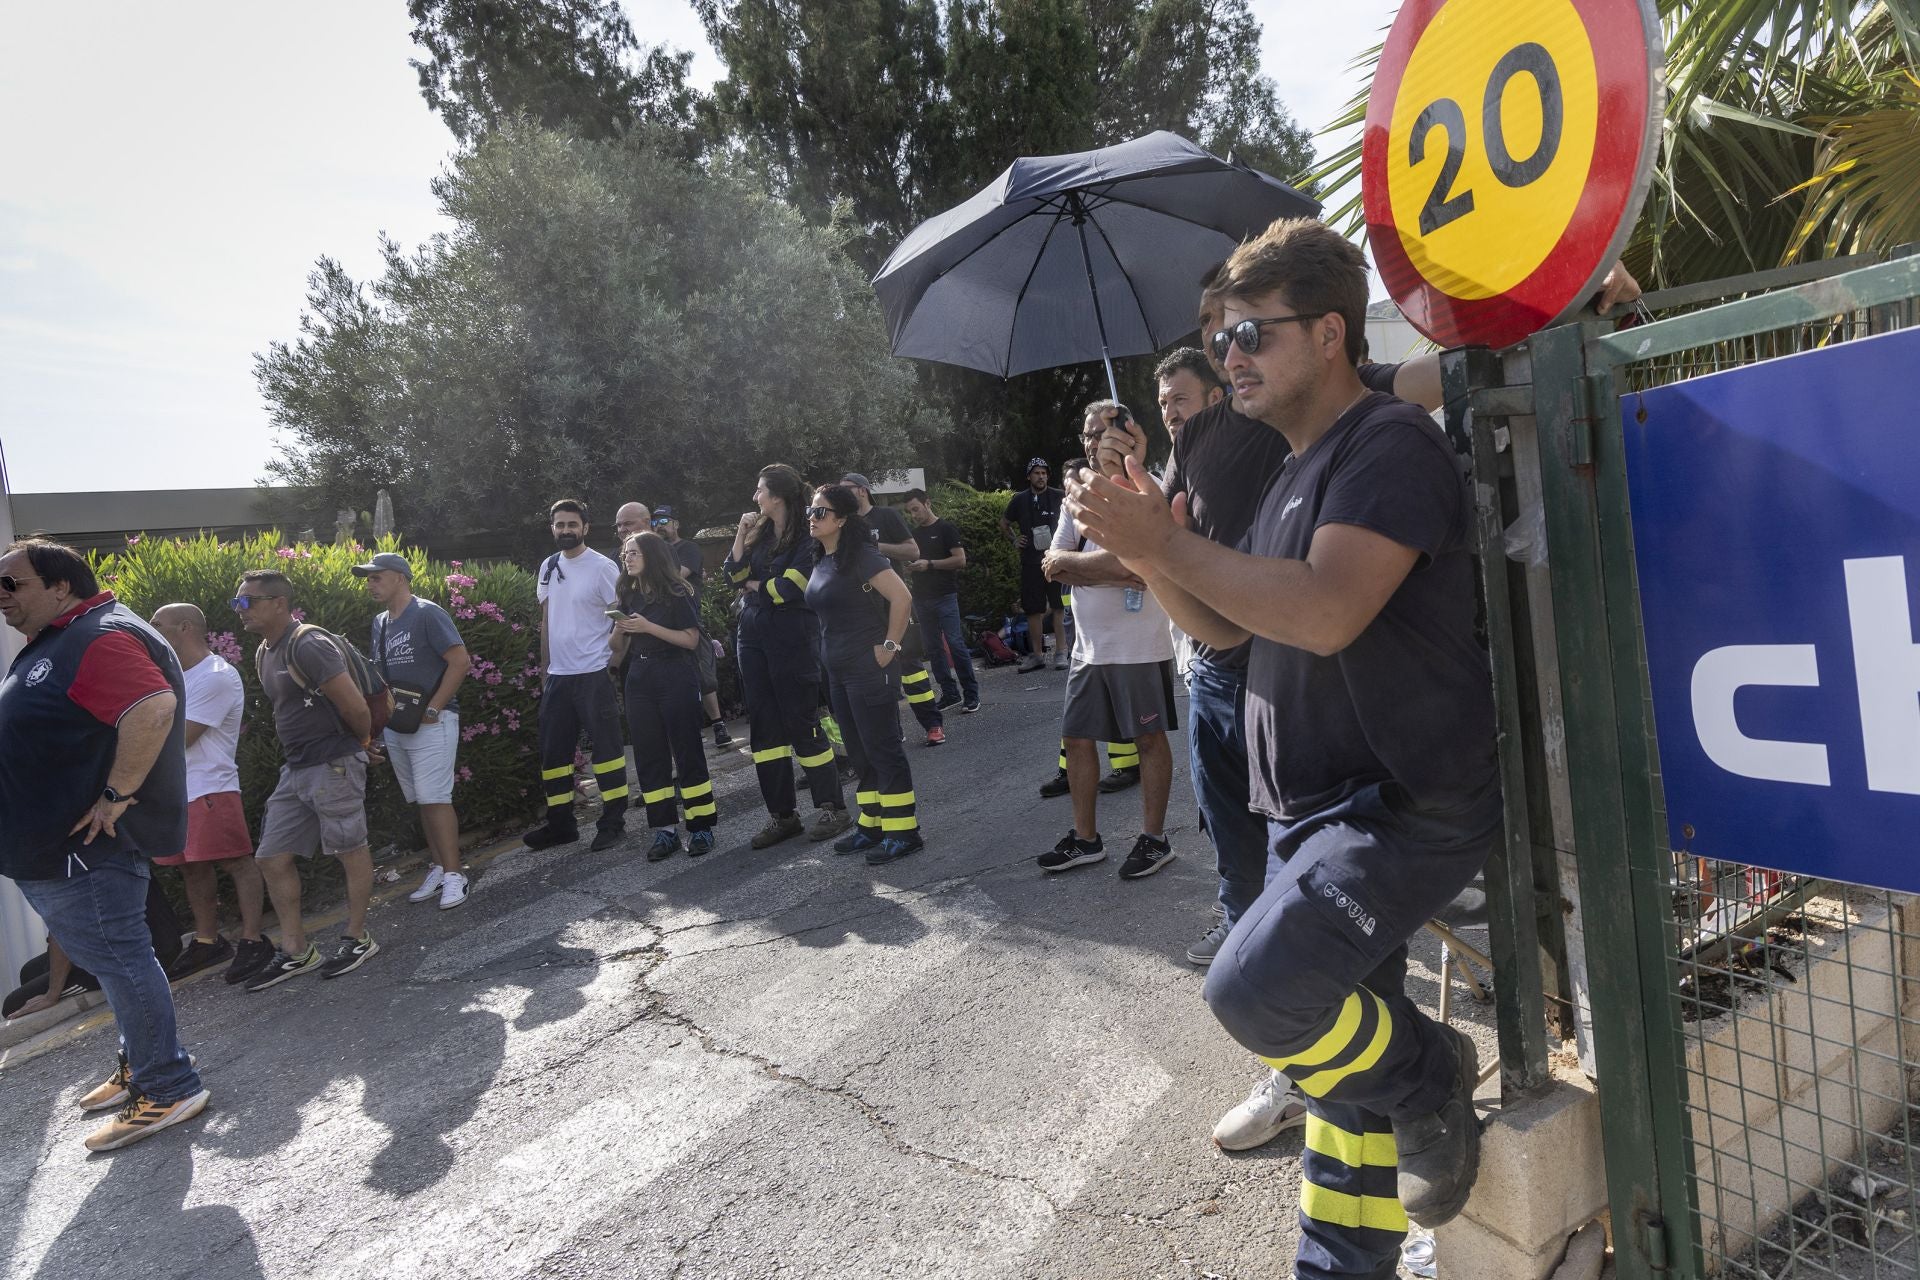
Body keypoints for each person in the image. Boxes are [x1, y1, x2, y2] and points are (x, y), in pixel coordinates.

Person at [1068, 217, 1506, 1275]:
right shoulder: (1289, 473)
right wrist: (1150, 547)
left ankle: (1432, 1072)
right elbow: (1226, 626)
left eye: (1250, 337)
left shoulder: (1386, 446)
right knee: (1336, 1070)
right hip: (1314, 812)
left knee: (1256, 991)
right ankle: (1338, 1259)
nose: (1230, 361)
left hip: (1400, 804)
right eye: (1220, 342)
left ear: (1328, 334)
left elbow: (1325, 610)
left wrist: (1166, 541)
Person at [0, 538, 209, 1151]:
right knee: (115, 966)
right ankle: (143, 1064)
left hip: (86, 850)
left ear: (61, 586)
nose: (1, 598)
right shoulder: (67, 637)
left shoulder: (98, 636)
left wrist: (114, 797)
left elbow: (152, 707)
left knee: (120, 959)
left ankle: (167, 1085)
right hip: (56, 849)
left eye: (12, 584)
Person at [1034, 409, 1179, 882]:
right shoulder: (1077, 493)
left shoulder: (1148, 488)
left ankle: (1155, 840)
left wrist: (1081, 565)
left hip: (1140, 646)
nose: (1095, 441)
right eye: (1087, 433)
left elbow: (1143, 568)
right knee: (1076, 738)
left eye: (1103, 432)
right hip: (1088, 648)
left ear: (1128, 434)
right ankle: (1086, 839)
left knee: (1148, 740)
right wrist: (1109, 565)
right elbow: (1052, 564)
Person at [235, 569, 383, 990]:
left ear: (278, 603)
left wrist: (361, 743)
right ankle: (297, 950)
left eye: (248, 602)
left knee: (349, 849)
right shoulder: (266, 651)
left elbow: (356, 708)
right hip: (296, 768)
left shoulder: (309, 644)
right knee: (271, 856)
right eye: (237, 602)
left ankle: (358, 938)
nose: (240, 610)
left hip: (333, 762)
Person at [724, 464, 850, 848]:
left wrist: (755, 586)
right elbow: (733, 574)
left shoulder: (807, 536)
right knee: (764, 730)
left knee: (802, 722)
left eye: (759, 490)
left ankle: (833, 808)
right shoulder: (759, 533)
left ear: (776, 496)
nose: (754, 498)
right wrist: (741, 535)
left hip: (793, 636)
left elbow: (793, 587)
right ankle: (783, 816)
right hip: (754, 636)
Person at [148, 603, 272, 984]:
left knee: (237, 861)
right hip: (178, 791)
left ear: (185, 627)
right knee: (191, 867)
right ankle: (207, 940)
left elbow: (181, 738)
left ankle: (253, 939)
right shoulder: (174, 676)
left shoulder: (216, 675)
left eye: (157, 625)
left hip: (210, 786)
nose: (150, 630)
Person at [805, 485, 924, 865]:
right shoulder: (823, 558)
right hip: (838, 671)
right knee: (859, 753)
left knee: (883, 749)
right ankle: (872, 826)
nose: (812, 516)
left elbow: (902, 598)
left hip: (868, 669)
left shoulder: (863, 557)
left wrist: (889, 647)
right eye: (811, 510)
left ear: (841, 519)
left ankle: (904, 831)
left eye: (820, 512)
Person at [354, 552, 473, 909]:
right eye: (369, 578)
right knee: (422, 798)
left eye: (377, 577)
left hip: (432, 721)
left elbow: (460, 661)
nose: (371, 584)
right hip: (399, 723)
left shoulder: (427, 613)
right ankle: (439, 867)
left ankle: (455, 874)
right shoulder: (381, 622)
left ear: (400, 578)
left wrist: (435, 708)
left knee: (436, 798)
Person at [526, 499, 630, 853]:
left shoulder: (602, 567)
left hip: (594, 674)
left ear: (586, 527)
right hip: (559, 677)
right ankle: (561, 825)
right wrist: (545, 672)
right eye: (560, 524)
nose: (566, 530)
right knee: (553, 756)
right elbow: (546, 623)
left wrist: (612, 665)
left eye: (573, 524)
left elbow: (623, 620)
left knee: (608, 753)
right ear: (552, 528)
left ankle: (613, 822)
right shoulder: (548, 566)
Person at [611, 532, 718, 860]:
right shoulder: (628, 595)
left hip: (675, 674)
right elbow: (616, 652)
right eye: (625, 553)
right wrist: (619, 628)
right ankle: (664, 830)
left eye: (634, 553)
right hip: (639, 679)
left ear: (652, 556)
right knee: (648, 755)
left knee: (687, 750)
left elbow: (689, 639)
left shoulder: (676, 592)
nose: (627, 558)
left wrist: (647, 628)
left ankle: (700, 826)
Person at [839, 474, 944, 744]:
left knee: (910, 666)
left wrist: (875, 546)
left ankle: (933, 725)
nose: (842, 494)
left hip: (892, 604)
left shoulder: (885, 516)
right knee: (876, 671)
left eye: (846, 490)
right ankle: (893, 732)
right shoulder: (842, 523)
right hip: (861, 610)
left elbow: (912, 552)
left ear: (862, 491)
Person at [4, 887, 182, 1019]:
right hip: (151, 938)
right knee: (29, 971)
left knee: (13, 1005)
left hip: (135, 954)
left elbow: (64, 929)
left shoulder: (64, 859)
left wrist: (52, 994)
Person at [654, 504, 733, 748]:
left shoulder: (688, 548)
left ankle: (718, 724)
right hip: (660, 624)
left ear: (676, 523)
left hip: (689, 620)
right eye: (654, 523)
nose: (659, 526)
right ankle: (689, 727)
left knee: (704, 676)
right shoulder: (653, 553)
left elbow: (678, 574)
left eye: (664, 521)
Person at [901, 488, 981, 714]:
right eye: (910, 512)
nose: (914, 515)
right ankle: (950, 693)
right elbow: (912, 559)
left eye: (916, 509)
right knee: (933, 649)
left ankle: (971, 694)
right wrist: (910, 570)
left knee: (955, 645)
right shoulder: (914, 534)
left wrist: (929, 564)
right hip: (921, 598)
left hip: (945, 596)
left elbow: (960, 560)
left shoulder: (946, 528)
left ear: (927, 503)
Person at [1000, 459, 1067, 672]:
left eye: (1044, 473)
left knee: (1059, 606)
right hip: (1030, 561)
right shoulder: (1020, 500)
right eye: (1036, 473)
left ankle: (1061, 652)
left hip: (1056, 559)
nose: (1041, 477)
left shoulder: (1059, 495)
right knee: (1032, 610)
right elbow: (1004, 523)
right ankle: (1037, 655)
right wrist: (1013, 539)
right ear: (1029, 476)